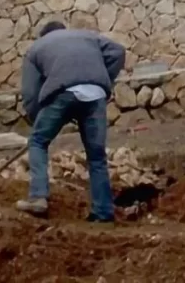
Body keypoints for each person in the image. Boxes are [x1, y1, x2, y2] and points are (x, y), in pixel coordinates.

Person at [17, 21, 126, 221]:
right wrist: (102, 80)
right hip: (95, 94)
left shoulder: (36, 48)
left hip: (63, 92)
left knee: (38, 141)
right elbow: (118, 52)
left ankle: (38, 197)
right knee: (96, 156)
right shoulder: (87, 36)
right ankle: (103, 213)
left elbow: (30, 93)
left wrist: (37, 119)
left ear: (44, 35)